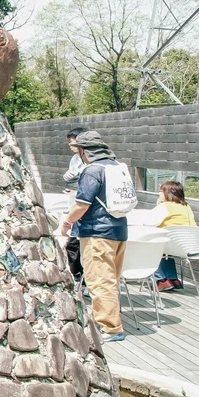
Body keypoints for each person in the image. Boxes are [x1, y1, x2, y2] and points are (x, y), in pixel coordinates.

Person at [59, 131, 128, 343]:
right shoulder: (117, 167)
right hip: (119, 230)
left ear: (84, 151)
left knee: (99, 281)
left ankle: (110, 328)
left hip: (96, 232)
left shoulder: (92, 171)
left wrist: (67, 222)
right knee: (111, 279)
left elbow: (82, 204)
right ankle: (110, 322)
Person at [139, 180, 195, 292]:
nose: (159, 194)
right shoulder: (186, 206)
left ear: (167, 193)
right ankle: (173, 278)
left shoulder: (165, 207)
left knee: (151, 246)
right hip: (188, 245)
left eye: (161, 191)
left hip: (172, 244)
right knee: (164, 250)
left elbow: (148, 222)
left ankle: (161, 280)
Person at [62, 126, 87, 284]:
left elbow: (88, 186)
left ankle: (79, 281)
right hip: (75, 205)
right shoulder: (75, 159)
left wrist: (67, 222)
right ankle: (79, 280)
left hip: (82, 209)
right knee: (74, 246)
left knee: (74, 246)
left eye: (72, 144)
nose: (71, 147)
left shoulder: (89, 159)